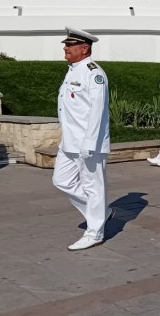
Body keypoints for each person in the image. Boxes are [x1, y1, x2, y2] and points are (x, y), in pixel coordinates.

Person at [52, 27, 113, 251]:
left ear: (84, 48)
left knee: (93, 187)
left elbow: (97, 111)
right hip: (69, 142)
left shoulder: (93, 72)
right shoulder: (73, 70)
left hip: (90, 143)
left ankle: (95, 232)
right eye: (66, 44)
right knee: (61, 181)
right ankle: (100, 211)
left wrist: (89, 143)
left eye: (70, 45)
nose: (65, 48)